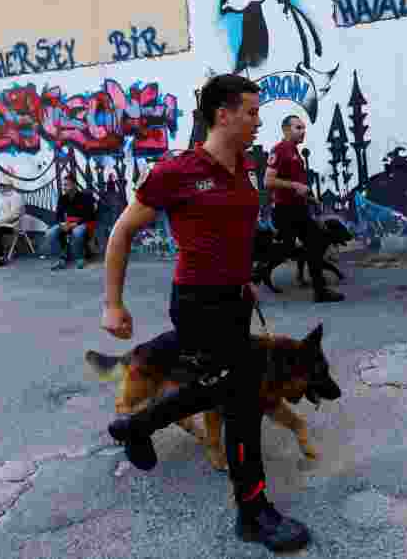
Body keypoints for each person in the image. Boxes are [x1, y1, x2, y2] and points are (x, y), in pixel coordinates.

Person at [100, 74, 311, 553]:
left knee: (217, 386)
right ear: (223, 114)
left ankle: (136, 426)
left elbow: (233, 234)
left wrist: (244, 281)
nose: (260, 122)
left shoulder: (245, 166)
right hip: (198, 303)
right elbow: (122, 232)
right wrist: (113, 304)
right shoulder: (177, 171)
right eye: (252, 113)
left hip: (234, 299)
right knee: (240, 399)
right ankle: (253, 512)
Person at [264, 115, 344, 303]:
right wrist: (294, 186)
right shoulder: (280, 150)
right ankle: (255, 275)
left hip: (298, 208)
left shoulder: (294, 152)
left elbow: (297, 186)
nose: (302, 131)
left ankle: (320, 290)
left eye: (303, 128)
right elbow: (267, 181)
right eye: (298, 128)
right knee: (287, 248)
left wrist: (310, 198)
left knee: (313, 243)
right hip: (285, 210)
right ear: (286, 130)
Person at [44, 173, 97, 270]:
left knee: (77, 232)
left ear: (74, 185)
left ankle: (79, 258)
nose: (64, 187)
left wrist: (74, 224)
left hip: (82, 223)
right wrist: (62, 224)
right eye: (63, 185)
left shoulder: (85, 197)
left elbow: (89, 215)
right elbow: (58, 214)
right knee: (50, 233)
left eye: (66, 185)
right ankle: (62, 256)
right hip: (68, 223)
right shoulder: (63, 198)